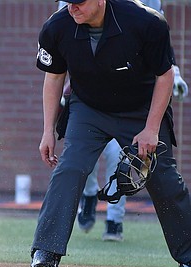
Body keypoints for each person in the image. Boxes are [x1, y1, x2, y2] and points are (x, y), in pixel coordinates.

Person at [31, 0, 191, 267]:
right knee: (71, 167)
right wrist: (47, 130)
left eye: (80, 2)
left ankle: (189, 254)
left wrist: (151, 129)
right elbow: (54, 76)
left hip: (141, 108)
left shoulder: (145, 21)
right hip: (89, 108)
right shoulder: (57, 27)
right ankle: (45, 253)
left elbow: (165, 76)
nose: (73, 8)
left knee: (162, 177)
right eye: (69, 2)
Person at [60, 0, 189, 242]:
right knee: (76, 160)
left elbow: (159, 47)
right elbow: (65, 41)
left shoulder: (146, 9)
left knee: (122, 159)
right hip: (91, 97)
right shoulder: (73, 9)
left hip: (136, 99)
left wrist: (176, 76)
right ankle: (88, 196)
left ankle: (114, 220)